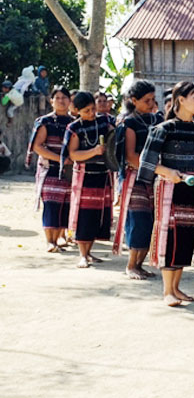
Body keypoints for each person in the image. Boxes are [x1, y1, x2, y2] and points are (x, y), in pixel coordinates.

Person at [138, 80, 194, 307]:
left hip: (190, 187)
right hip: (169, 187)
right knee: (170, 235)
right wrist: (168, 172)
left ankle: (176, 288)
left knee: (186, 235)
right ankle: (167, 290)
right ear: (181, 100)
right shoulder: (163, 129)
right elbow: (146, 161)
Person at [111, 80, 162, 279]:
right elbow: (131, 156)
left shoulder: (156, 120)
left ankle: (140, 264)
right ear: (134, 100)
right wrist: (156, 167)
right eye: (146, 100)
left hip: (154, 178)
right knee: (138, 221)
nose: (151, 103)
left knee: (152, 222)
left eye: (153, 99)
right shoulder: (129, 123)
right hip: (135, 179)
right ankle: (131, 265)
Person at [63, 91, 115, 268]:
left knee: (97, 214)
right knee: (84, 214)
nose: (92, 113)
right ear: (77, 111)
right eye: (86, 111)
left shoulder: (104, 122)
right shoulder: (74, 128)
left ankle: (89, 252)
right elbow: (73, 154)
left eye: (93, 109)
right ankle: (82, 255)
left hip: (103, 175)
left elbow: (115, 138)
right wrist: (94, 151)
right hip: (84, 176)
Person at [27, 86, 73, 253]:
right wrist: (60, 159)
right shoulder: (44, 121)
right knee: (52, 205)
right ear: (51, 101)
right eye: (57, 98)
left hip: (70, 171)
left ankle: (59, 238)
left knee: (66, 205)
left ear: (70, 101)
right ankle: (50, 241)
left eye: (64, 97)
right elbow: (37, 147)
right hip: (50, 170)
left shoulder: (74, 122)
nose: (61, 101)